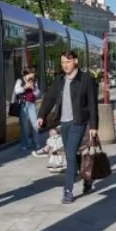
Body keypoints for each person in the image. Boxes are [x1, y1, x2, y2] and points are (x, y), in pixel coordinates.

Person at [36, 50, 100, 203]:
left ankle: (68, 191)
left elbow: (92, 103)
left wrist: (93, 125)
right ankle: (87, 178)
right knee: (74, 154)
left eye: (68, 62)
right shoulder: (59, 80)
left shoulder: (86, 79)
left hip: (78, 122)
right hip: (63, 123)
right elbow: (49, 98)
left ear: (75, 62)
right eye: (63, 62)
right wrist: (41, 115)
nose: (65, 65)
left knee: (70, 154)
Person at [13, 69, 43, 155]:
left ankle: (36, 143)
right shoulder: (20, 81)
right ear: (28, 74)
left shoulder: (35, 81)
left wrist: (33, 88)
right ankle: (25, 144)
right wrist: (25, 87)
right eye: (32, 73)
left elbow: (38, 93)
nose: (34, 75)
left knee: (35, 124)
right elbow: (16, 91)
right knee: (24, 126)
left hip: (32, 105)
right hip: (23, 105)